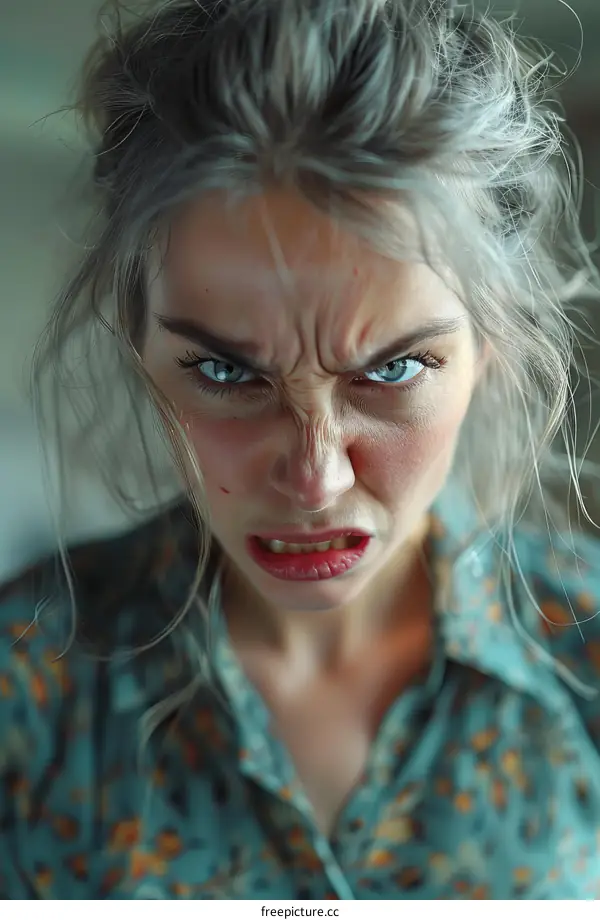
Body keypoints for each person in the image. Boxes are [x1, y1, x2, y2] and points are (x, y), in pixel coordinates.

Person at [1, 0, 600, 901]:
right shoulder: (25, 678)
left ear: (492, 349)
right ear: (138, 349)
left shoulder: (584, 657)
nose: (315, 480)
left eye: (393, 369)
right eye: (223, 371)